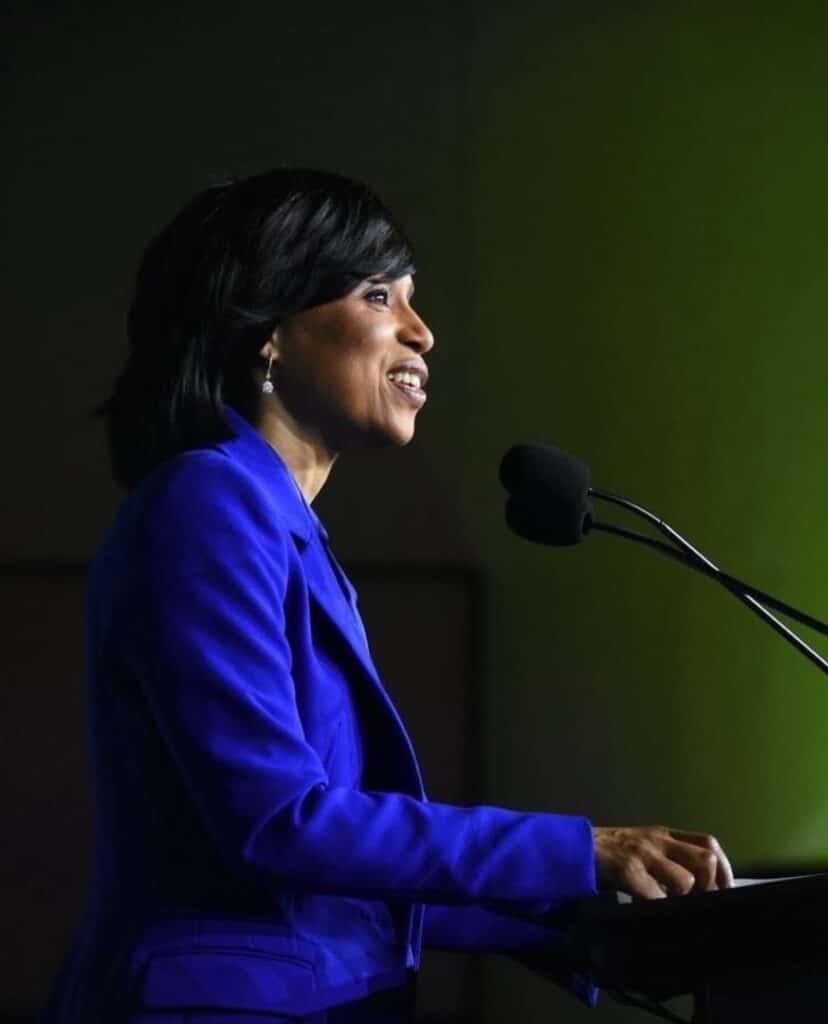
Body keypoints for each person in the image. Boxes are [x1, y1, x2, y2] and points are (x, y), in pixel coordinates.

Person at [41, 168, 733, 1024]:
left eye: (415, 299)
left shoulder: (285, 532)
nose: (424, 332)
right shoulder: (207, 504)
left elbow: (344, 884)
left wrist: (595, 931)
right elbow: (280, 824)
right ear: (268, 330)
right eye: (379, 295)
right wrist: (580, 849)